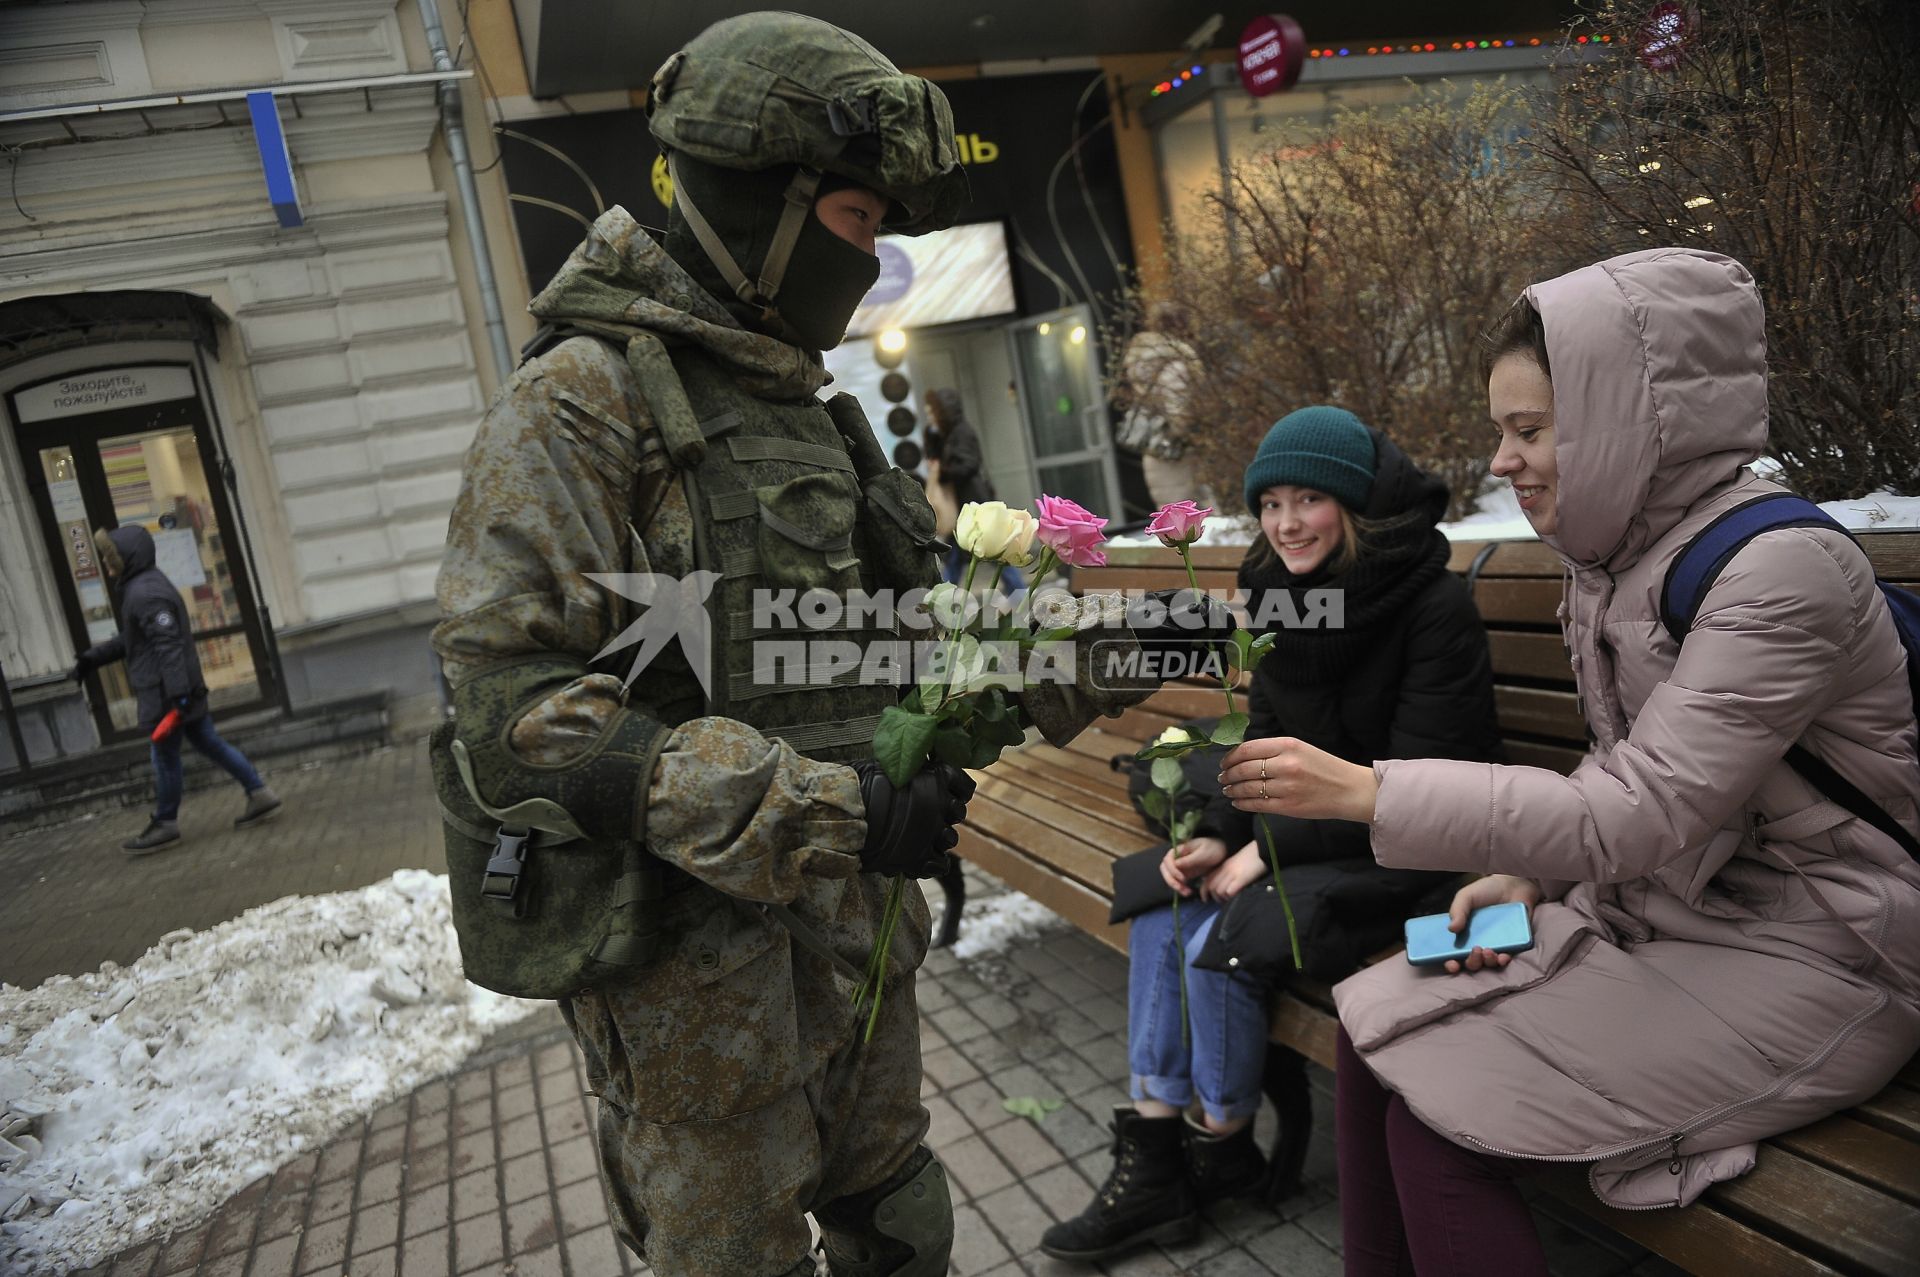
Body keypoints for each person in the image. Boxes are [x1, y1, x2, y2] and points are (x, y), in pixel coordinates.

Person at [429, 14, 1215, 1276]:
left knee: (900, 1225)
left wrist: (1134, 643)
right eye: (858, 222)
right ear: (765, 207)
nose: (874, 258)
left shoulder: (805, 412)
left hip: (853, 939)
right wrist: (827, 808)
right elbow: (509, 704)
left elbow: (925, 649)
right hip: (694, 994)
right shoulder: (584, 402)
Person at [1218, 249, 1920, 1276]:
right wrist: (1530, 877)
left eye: (1530, 430)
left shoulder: (1780, 573)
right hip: (1674, 913)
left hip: (1834, 950)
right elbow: (1626, 783)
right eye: (1503, 430)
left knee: (1445, 1123)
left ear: (1629, 423)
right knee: (1373, 1035)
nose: (1502, 460)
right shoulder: (1619, 558)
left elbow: (1637, 808)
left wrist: (1370, 790)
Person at [1041, 406, 1503, 1261]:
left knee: (1225, 931)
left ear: (1356, 506)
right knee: (1163, 898)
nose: (1287, 522)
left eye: (1310, 500)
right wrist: (1220, 830)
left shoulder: (1431, 607)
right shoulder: (1280, 592)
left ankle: (1221, 1145)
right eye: (1272, 503)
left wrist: (1271, 848)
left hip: (1414, 849)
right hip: (1309, 835)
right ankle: (1157, 1150)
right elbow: (1264, 733)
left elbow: (1427, 785)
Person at [69, 525, 281, 853]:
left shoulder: (145, 593)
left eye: (111, 558)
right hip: (175, 690)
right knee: (209, 742)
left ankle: (166, 824)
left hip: (167, 694)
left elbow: (168, 647)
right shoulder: (142, 587)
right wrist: (90, 660)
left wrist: (179, 698)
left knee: (165, 757)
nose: (107, 565)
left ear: (127, 558)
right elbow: (134, 641)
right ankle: (259, 793)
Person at [1116, 302, 1204, 509]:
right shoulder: (1176, 364)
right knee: (1193, 520)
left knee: (1173, 517)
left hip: (1157, 450)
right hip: (1177, 454)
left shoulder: (1146, 360)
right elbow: (1181, 415)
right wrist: (1197, 432)